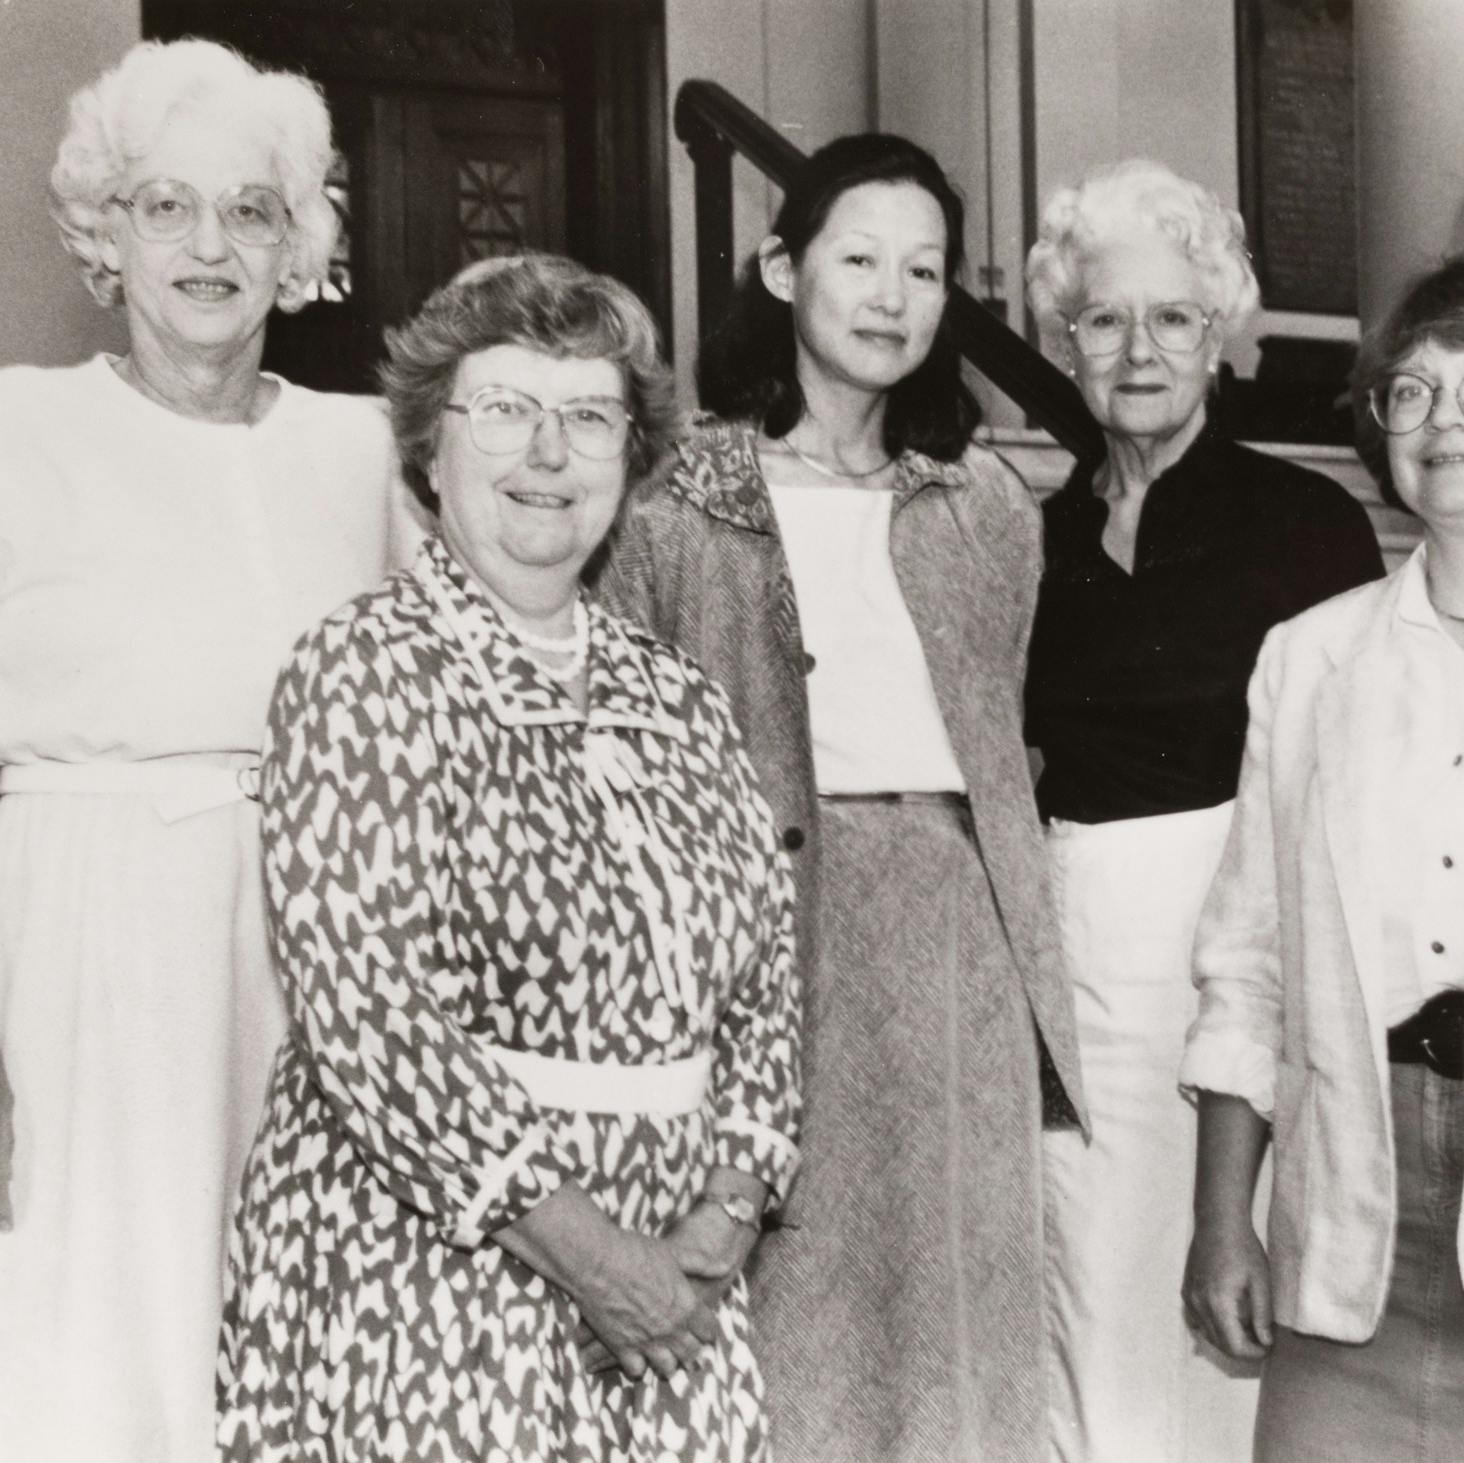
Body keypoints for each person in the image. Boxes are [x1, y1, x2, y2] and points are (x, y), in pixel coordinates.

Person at [216, 254, 802, 1462]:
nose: (548, 454)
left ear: (632, 461)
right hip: (432, 1270)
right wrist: (597, 1257)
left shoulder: (678, 691)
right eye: (504, 411)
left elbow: (768, 976)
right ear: (430, 450)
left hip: (677, 1285)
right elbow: (369, 1015)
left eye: (589, 417)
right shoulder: (363, 669)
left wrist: (727, 1212)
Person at [597, 132, 1084, 1463]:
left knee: (956, 1301)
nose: (891, 296)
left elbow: (998, 727)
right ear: (781, 266)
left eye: (924, 270)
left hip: (952, 935)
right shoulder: (674, 505)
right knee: (788, 1291)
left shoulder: (986, 501)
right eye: (858, 258)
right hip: (765, 939)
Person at [0, 39, 423, 1462]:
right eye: (165, 206)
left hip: (316, 962)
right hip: (78, 955)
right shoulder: (17, 431)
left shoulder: (370, 449)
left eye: (251, 211)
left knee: (299, 1348)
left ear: (300, 244)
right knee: (96, 1349)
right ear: (105, 234)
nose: (209, 245)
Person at [1022, 157, 1383, 1463]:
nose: (1139, 348)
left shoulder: (1309, 524)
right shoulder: (1036, 534)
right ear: (1065, 335)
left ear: (1223, 331)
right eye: (1105, 317)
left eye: (1174, 316)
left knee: (1240, 1308)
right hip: (1081, 969)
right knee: (1097, 1305)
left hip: (1258, 964)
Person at [1183, 256, 1464, 1463]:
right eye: (1414, 391)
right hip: (1361, 1192)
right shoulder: (1309, 660)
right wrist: (1220, 1220)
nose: (1446, 424)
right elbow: (1247, 961)